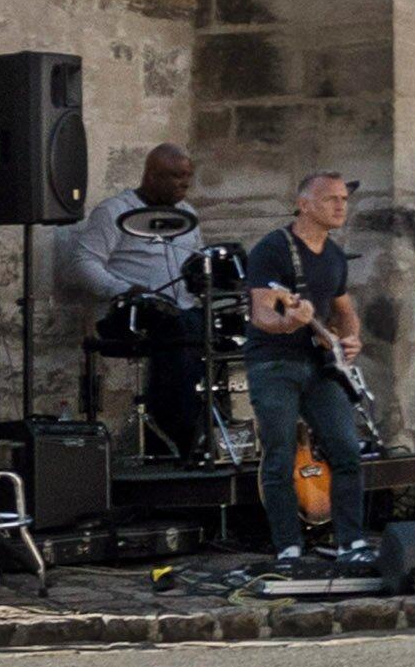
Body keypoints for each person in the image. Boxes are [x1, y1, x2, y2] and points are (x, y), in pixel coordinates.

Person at [224, 168, 377, 569]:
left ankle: (352, 542)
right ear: (304, 205)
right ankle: (288, 548)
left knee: (346, 449)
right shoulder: (273, 249)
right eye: (331, 199)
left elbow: (344, 310)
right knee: (279, 454)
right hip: (274, 362)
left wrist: (351, 339)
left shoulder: (335, 256)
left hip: (321, 366)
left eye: (344, 199)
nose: (341, 206)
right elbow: (262, 313)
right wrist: (289, 321)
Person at [64, 145, 219, 467]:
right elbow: (82, 263)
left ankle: (213, 430)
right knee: (182, 331)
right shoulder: (115, 211)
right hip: (130, 313)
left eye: (188, 177)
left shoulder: (187, 214)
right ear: (151, 176)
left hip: (182, 311)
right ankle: (174, 437)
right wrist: (123, 289)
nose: (184, 184)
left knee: (216, 329)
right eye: (176, 176)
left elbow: (197, 260)